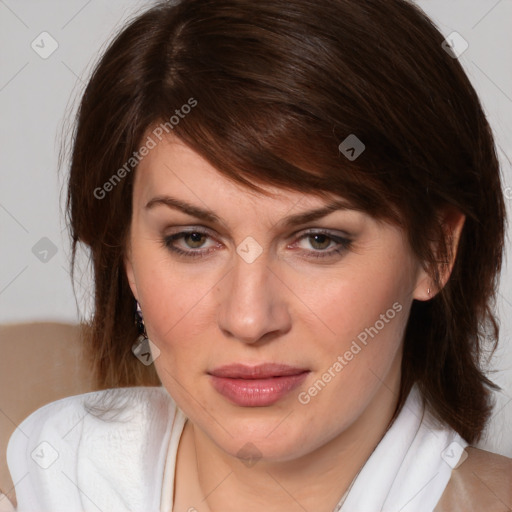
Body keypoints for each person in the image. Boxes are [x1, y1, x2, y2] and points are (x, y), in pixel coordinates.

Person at [2, 0, 511, 510]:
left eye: (318, 240)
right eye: (193, 239)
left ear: (435, 250)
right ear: (127, 258)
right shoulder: (54, 470)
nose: (248, 319)